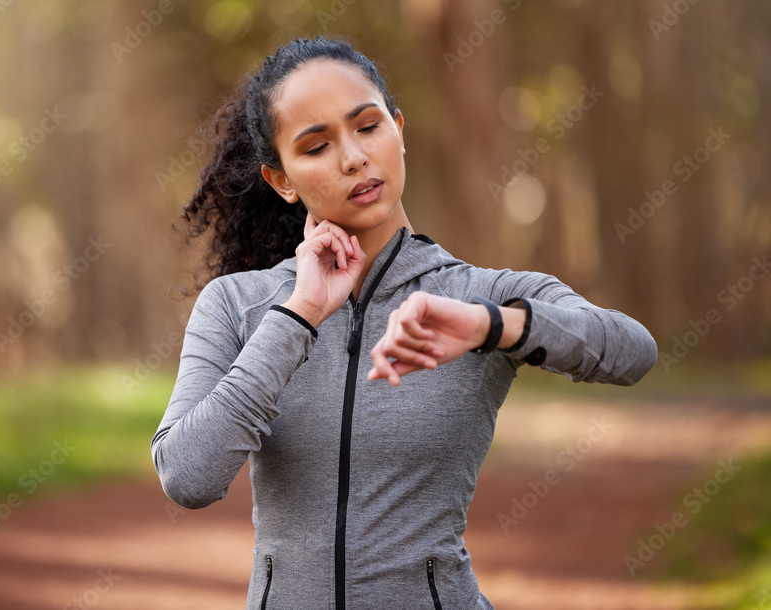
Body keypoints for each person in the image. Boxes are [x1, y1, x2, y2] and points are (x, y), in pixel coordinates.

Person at [151, 35, 657, 609]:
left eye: (367, 127)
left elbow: (632, 351)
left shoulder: (478, 296)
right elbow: (188, 477)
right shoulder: (236, 305)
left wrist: (491, 327)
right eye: (316, 146)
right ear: (282, 180)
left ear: (399, 129)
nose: (353, 158)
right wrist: (299, 314)